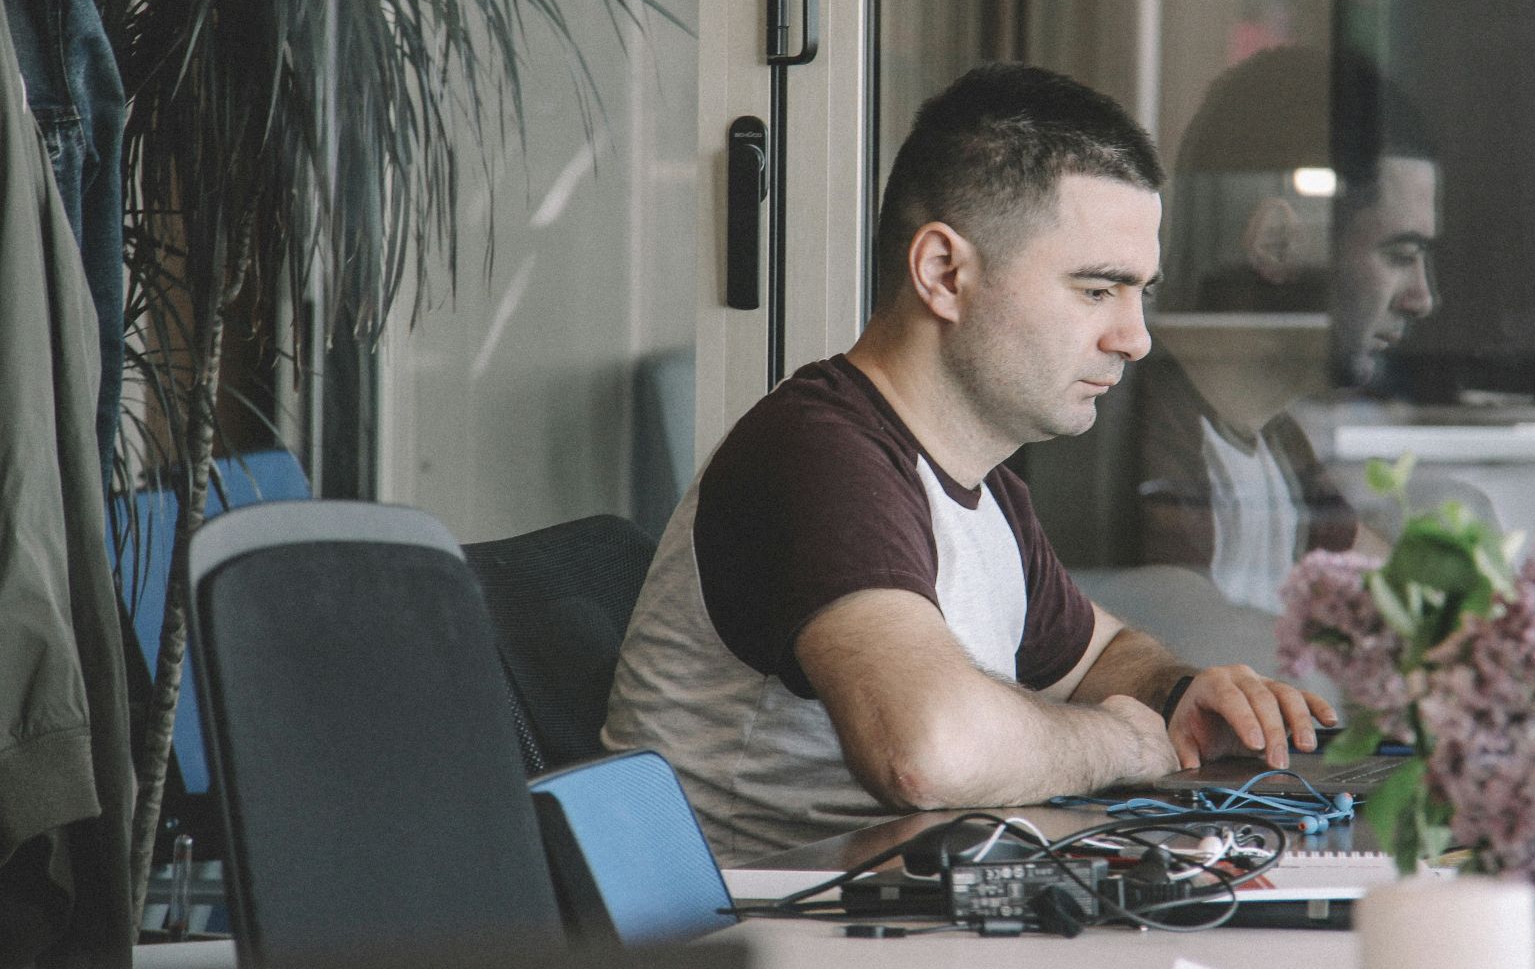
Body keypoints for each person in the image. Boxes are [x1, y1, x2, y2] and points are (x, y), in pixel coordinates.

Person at [602, 63, 1336, 864]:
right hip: (761, 940)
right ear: (943, 274)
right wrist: (1122, 743)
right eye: (1098, 290)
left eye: (1141, 295)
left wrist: (1178, 693)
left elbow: (1096, 656)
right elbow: (929, 752)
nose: (1135, 338)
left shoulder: (984, 488)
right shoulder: (814, 455)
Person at [1136, 46, 1442, 612]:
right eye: (1399, 253)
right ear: (1277, 243)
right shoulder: (1149, 450)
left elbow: (1402, 594)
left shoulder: (1274, 439)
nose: (1423, 298)